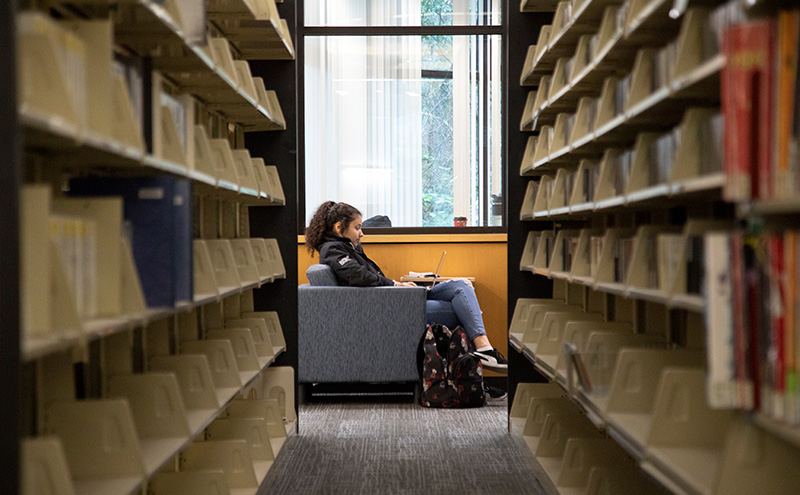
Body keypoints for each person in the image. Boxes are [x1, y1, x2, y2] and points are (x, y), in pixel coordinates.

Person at [304, 201, 509, 386]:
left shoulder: (346, 247)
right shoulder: (333, 250)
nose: (362, 233)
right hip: (390, 305)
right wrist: (394, 284)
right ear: (339, 227)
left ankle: (483, 349)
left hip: (392, 298)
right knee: (460, 309)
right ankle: (481, 354)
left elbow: (365, 277)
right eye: (357, 228)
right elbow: (359, 276)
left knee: (461, 286)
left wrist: (397, 286)